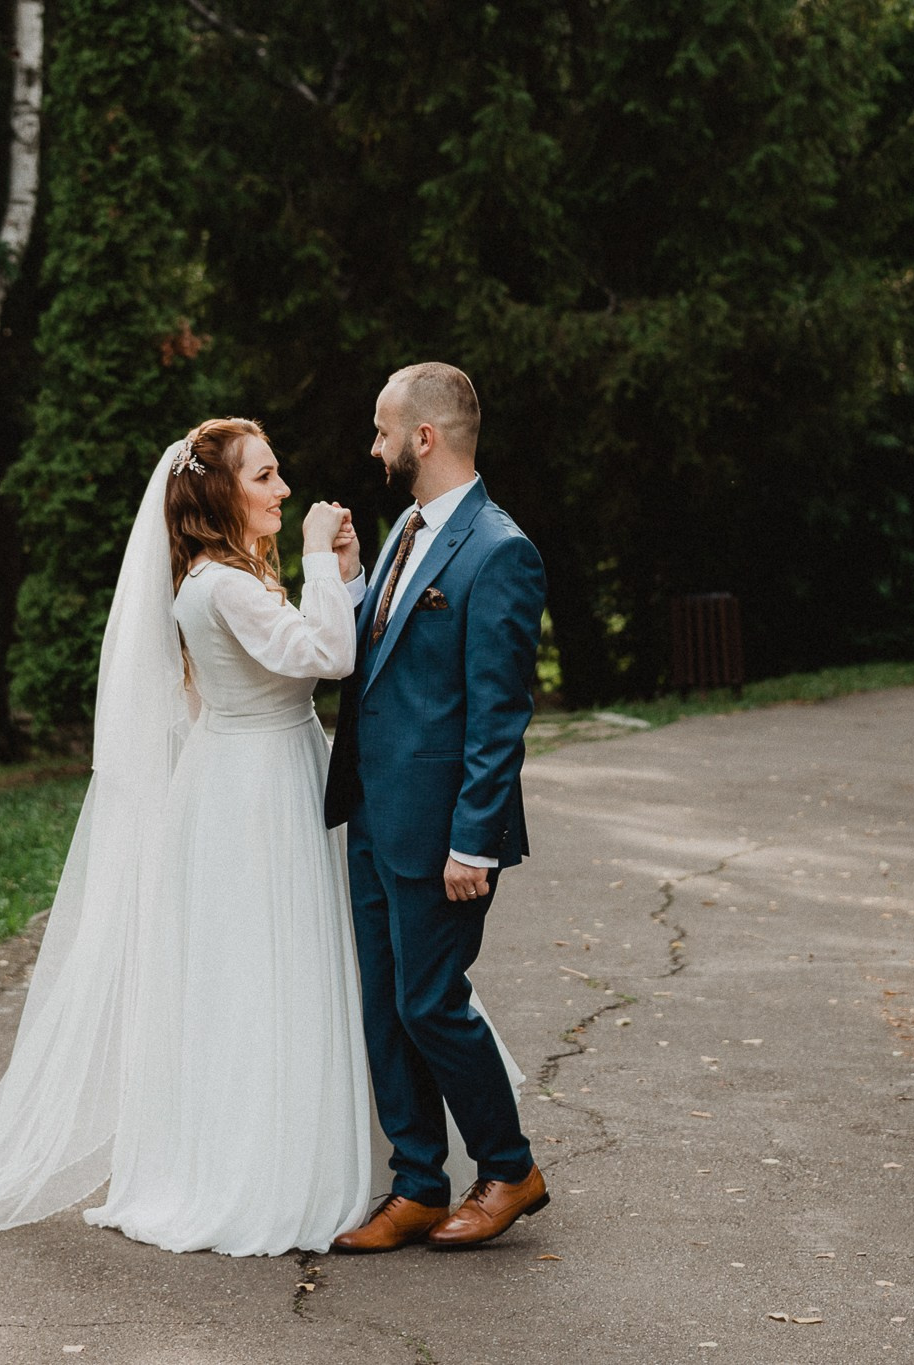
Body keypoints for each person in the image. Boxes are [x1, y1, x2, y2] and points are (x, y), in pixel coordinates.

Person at [0, 417, 374, 1254]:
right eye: (265, 476)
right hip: (255, 792)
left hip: (267, 772)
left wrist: (345, 573)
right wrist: (314, 556)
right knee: (263, 972)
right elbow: (328, 656)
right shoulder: (221, 586)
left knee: (278, 966)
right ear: (219, 491)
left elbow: (307, 642)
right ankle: (258, 1168)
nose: (285, 488)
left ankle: (283, 1144)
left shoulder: (229, 575)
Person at [324, 362, 550, 1252]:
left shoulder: (500, 550)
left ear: (423, 436)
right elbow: (381, 664)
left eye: (383, 430)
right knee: (386, 1005)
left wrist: (474, 842)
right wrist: (352, 581)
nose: (374, 446)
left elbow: (499, 715)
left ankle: (510, 1167)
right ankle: (418, 1181)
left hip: (443, 830)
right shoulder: (405, 530)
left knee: (430, 1003)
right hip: (375, 815)